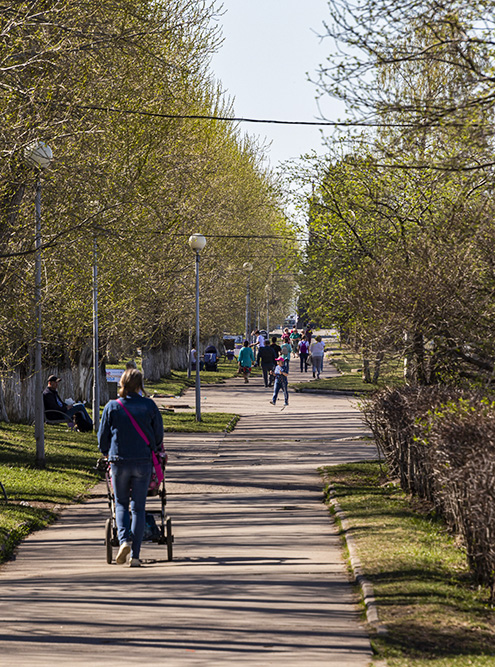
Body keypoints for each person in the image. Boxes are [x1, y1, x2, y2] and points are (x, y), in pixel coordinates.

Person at [98, 369, 164, 567]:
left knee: (120, 504)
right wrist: (153, 447)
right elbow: (159, 435)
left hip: (118, 461)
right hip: (143, 462)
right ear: (139, 384)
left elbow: (103, 438)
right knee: (138, 508)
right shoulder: (149, 405)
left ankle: (124, 540)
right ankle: (135, 556)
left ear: (122, 383)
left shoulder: (112, 406)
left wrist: (105, 452)